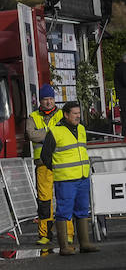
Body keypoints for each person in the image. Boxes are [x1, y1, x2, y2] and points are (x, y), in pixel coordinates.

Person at [40, 101, 99, 255]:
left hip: (82, 177)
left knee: (82, 210)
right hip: (65, 180)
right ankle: (64, 246)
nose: (78, 116)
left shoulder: (81, 129)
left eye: (79, 113)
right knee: (63, 212)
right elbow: (45, 156)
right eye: (75, 113)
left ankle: (84, 243)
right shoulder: (55, 131)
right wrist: (58, 170)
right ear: (66, 115)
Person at [25, 83, 63, 246]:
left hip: (60, 162)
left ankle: (67, 233)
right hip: (42, 164)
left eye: (50, 99)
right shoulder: (33, 116)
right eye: (45, 99)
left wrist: (44, 134)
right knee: (44, 200)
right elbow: (30, 134)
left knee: (64, 198)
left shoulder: (62, 114)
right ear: (40, 101)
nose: (48, 102)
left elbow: (65, 132)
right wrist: (52, 133)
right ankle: (45, 234)